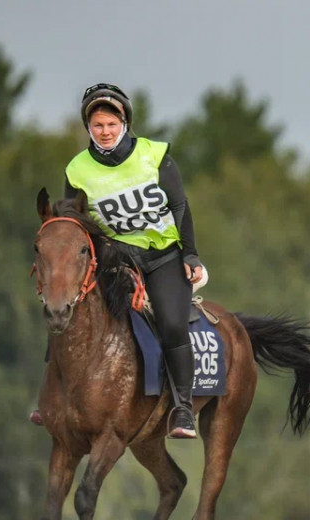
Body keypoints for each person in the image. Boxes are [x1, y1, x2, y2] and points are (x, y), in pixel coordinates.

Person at [34, 83, 204, 439]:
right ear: (88, 127)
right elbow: (75, 223)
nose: (105, 131)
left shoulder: (155, 155)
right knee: (67, 304)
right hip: (115, 258)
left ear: (124, 123)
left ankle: (183, 408)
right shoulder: (77, 170)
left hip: (163, 257)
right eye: (97, 125)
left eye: (112, 124)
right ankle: (51, 397)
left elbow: (180, 206)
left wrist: (190, 253)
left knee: (172, 323)